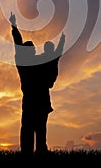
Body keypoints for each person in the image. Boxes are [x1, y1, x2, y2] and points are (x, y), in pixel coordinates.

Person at [9, 12, 65, 155]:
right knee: (37, 132)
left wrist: (14, 26)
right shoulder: (29, 63)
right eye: (33, 49)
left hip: (33, 103)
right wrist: (14, 27)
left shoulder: (29, 63)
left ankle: (32, 152)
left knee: (34, 133)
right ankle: (36, 152)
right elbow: (18, 43)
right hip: (37, 103)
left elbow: (54, 56)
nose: (35, 50)